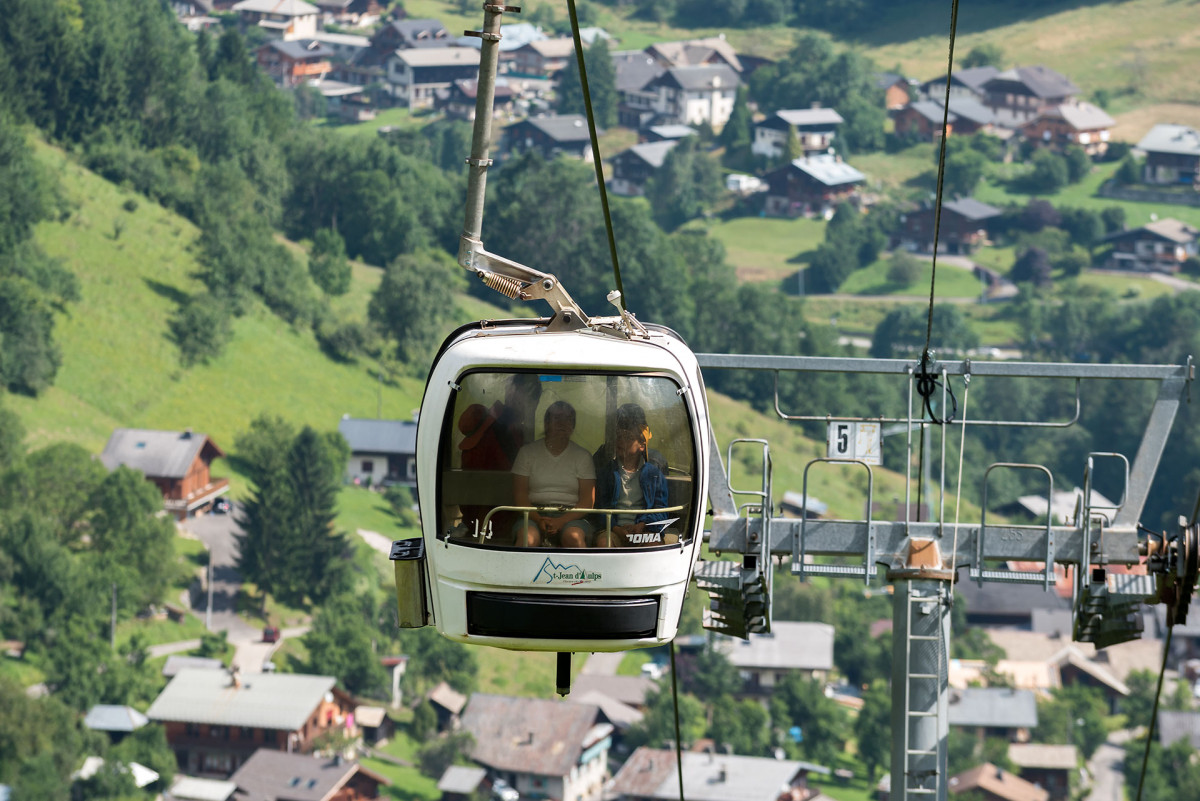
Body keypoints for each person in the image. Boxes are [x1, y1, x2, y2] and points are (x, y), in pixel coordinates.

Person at [512, 400, 595, 548]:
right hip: (532, 514)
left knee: (574, 538)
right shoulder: (527, 453)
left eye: (568, 419)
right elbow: (521, 497)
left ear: (573, 426)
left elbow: (587, 502)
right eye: (557, 418)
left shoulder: (582, 456)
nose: (563, 423)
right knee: (528, 540)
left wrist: (561, 521)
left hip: (572, 516)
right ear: (546, 423)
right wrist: (539, 520)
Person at [594, 403, 670, 547]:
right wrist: (616, 529)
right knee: (605, 543)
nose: (621, 441)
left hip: (644, 529)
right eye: (619, 436)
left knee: (653, 544)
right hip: (613, 529)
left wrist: (642, 525)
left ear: (642, 445)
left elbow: (661, 510)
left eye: (628, 437)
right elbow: (600, 508)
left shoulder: (654, 474)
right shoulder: (607, 472)